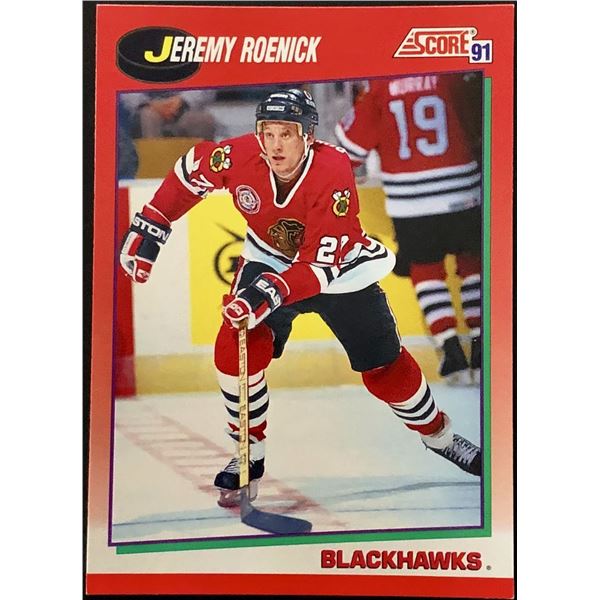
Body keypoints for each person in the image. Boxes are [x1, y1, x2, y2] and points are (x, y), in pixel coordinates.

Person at [120, 89, 481, 508]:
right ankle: (248, 454)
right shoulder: (239, 156)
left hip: (339, 271)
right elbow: (190, 171)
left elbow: (318, 267)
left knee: (386, 371)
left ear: (307, 136)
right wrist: (153, 222)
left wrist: (267, 293)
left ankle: (439, 436)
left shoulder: (332, 169)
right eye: (267, 133)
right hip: (268, 259)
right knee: (236, 346)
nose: (275, 145)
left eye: (286, 134)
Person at [335, 74, 483, 385]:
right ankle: (482, 347)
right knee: (473, 265)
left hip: (411, 201)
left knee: (426, 271)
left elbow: (349, 150)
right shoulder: (450, 76)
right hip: (464, 189)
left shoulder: (379, 87)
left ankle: (452, 353)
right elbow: (482, 124)